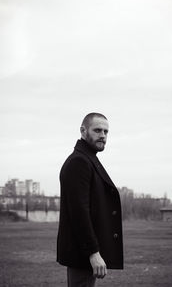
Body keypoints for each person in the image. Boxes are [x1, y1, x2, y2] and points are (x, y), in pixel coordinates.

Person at [57, 112, 124, 287]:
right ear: (83, 131)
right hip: (82, 256)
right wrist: (93, 253)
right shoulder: (79, 162)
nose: (103, 135)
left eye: (106, 132)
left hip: (84, 254)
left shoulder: (88, 159)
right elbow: (79, 213)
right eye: (97, 130)